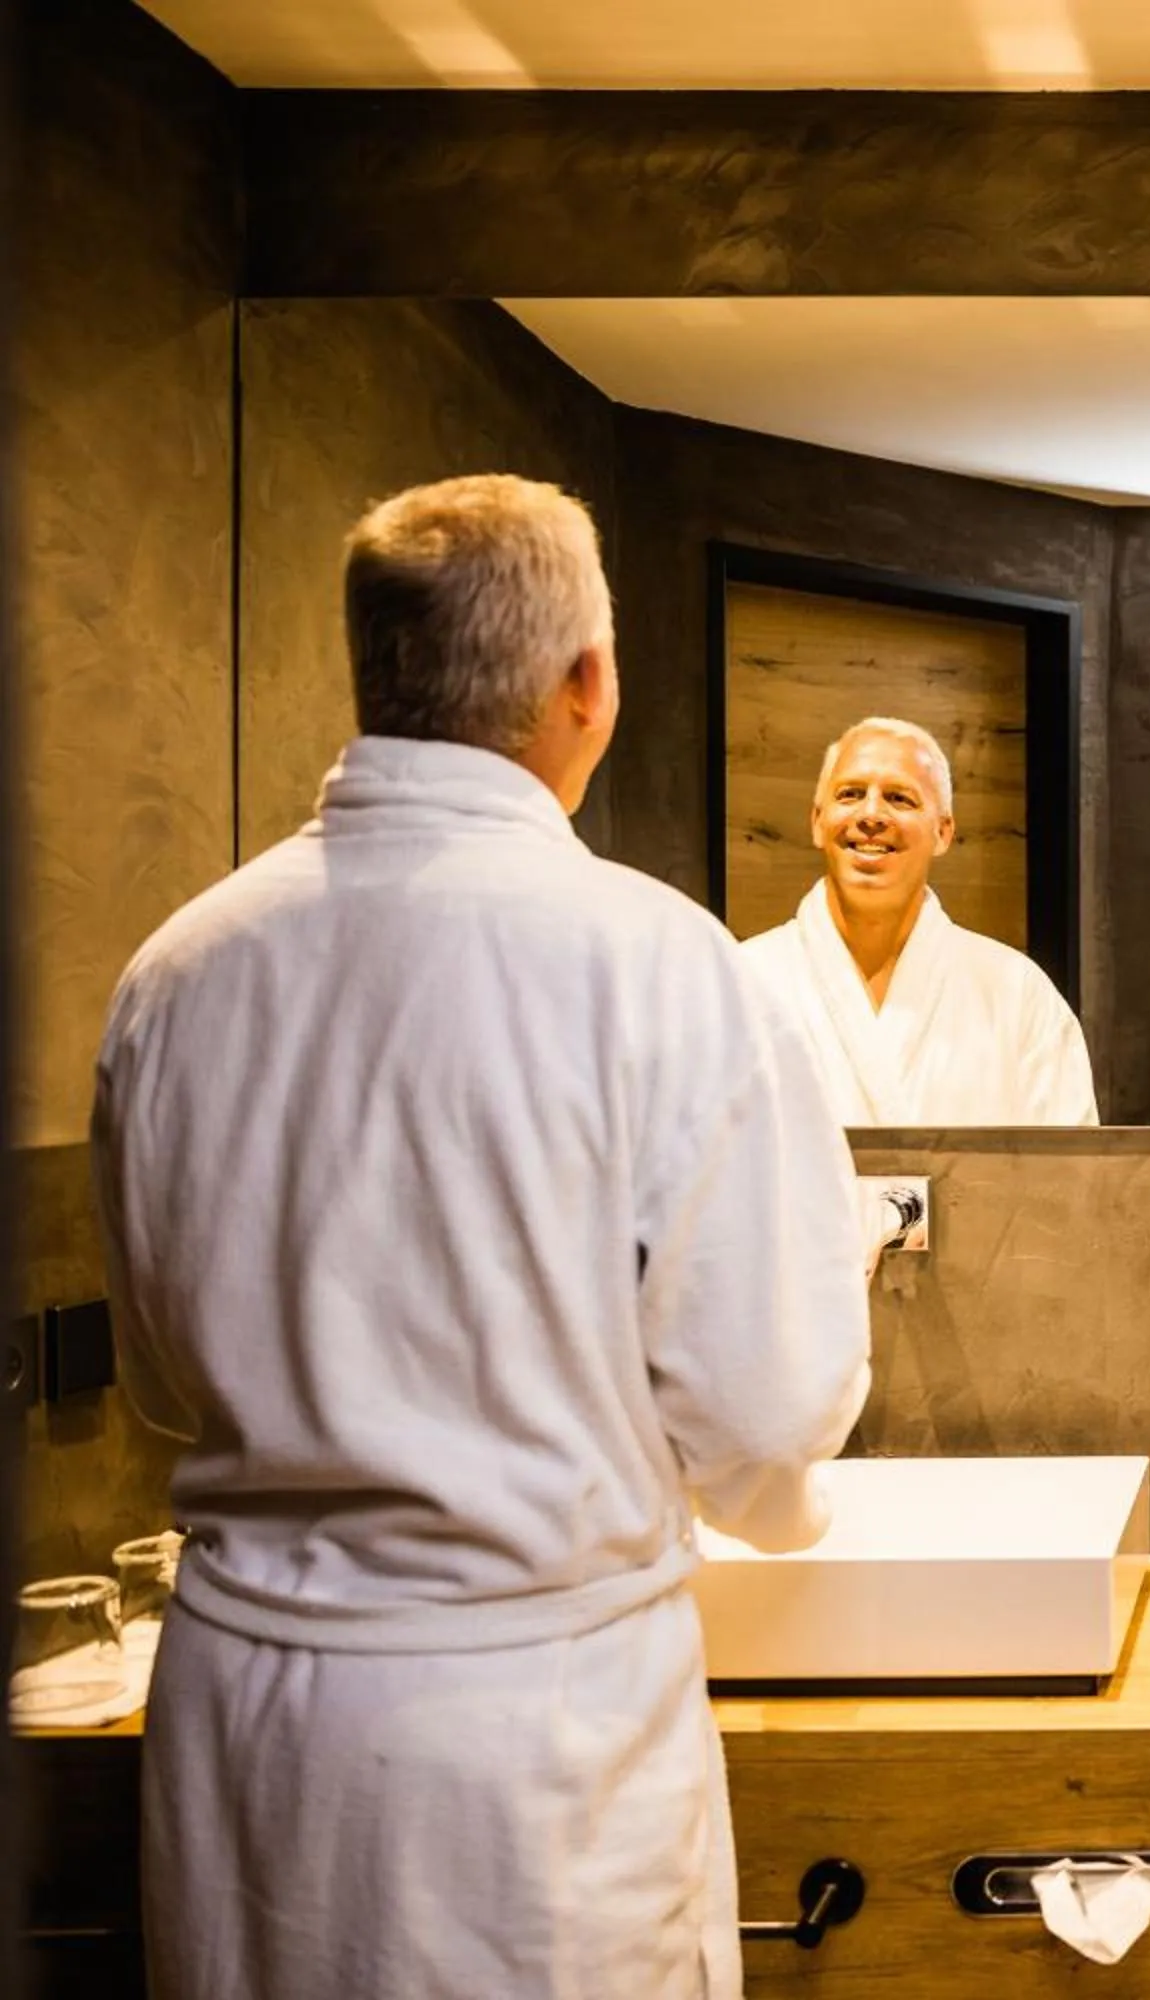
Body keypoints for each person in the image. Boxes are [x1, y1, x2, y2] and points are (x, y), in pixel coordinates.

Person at [94, 474, 872, 2000]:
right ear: (587, 685)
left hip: (244, 1735)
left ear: (375, 668)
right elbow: (769, 1409)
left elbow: (162, 1379)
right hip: (535, 1747)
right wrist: (779, 1513)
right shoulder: (664, 968)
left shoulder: (175, 975)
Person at [739, 716, 1097, 1127]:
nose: (871, 814)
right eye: (851, 794)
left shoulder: (1016, 992)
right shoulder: (743, 980)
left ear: (943, 832)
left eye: (899, 798)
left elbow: (1071, 1179)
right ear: (817, 822)